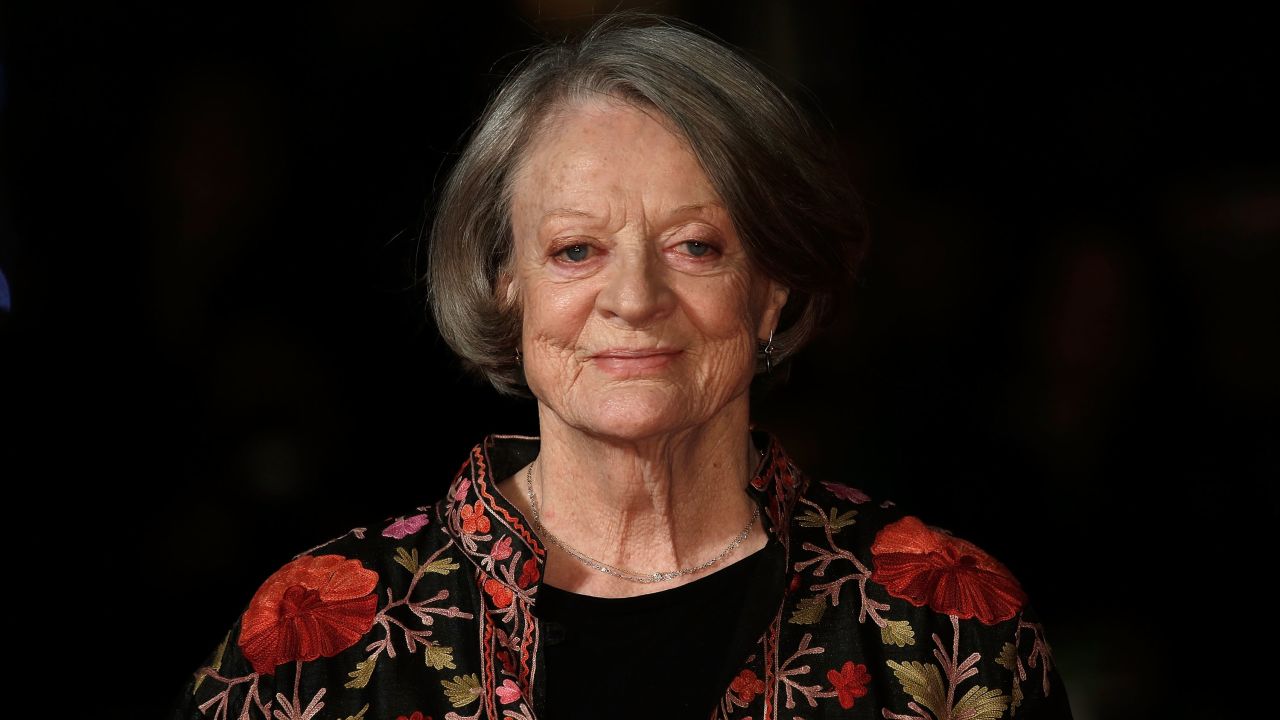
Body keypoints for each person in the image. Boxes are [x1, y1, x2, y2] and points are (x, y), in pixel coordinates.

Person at [171, 13, 1072, 720]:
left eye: (694, 245)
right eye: (575, 250)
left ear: (774, 290)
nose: (633, 297)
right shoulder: (315, 639)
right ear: (504, 285)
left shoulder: (949, 620)